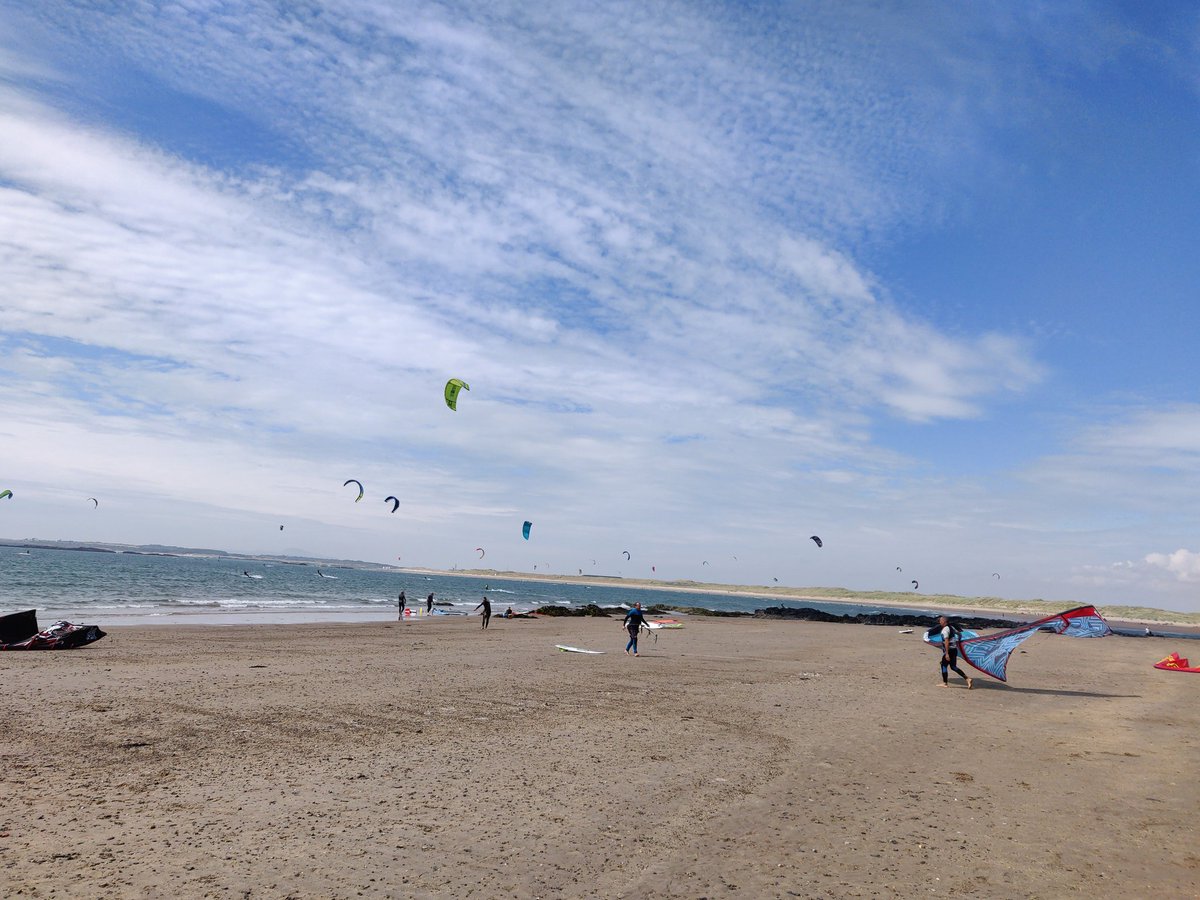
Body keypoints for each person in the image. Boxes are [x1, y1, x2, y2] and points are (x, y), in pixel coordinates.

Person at [935, 615, 972, 689]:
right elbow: (959, 634)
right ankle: (967, 678)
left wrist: (947, 653)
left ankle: (945, 683)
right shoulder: (951, 627)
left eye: (941, 620)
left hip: (949, 650)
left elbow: (946, 642)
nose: (939, 621)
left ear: (944, 622)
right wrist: (958, 642)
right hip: (954, 649)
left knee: (943, 665)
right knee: (953, 667)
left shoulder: (945, 630)